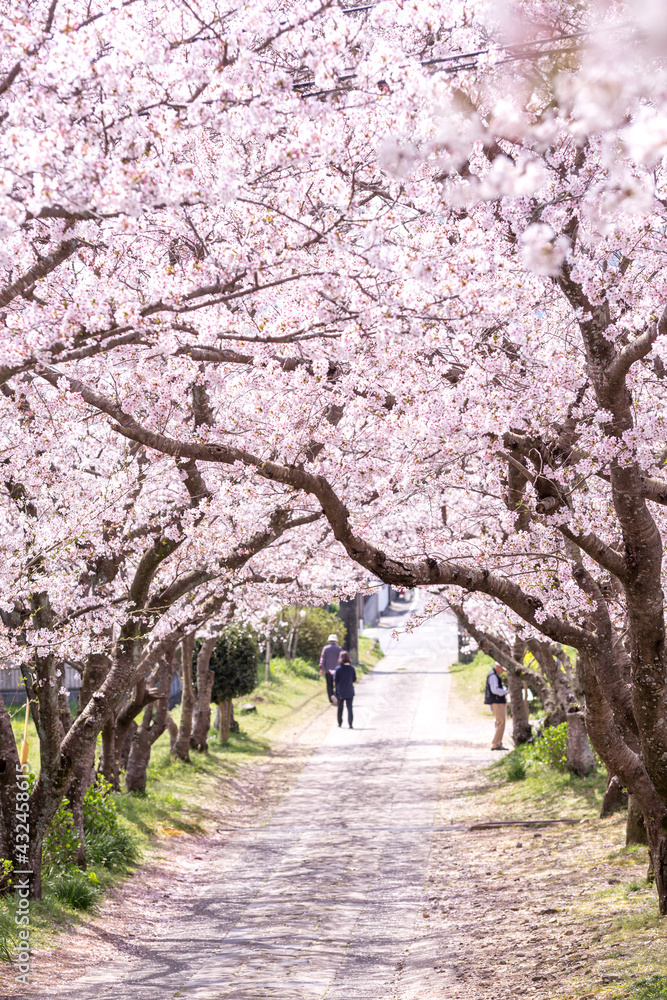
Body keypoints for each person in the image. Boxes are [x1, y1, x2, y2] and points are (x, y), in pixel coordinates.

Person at [484, 662, 509, 750]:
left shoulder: (494, 675)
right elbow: (495, 690)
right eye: (502, 669)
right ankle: (496, 743)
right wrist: (506, 692)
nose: (502, 671)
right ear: (498, 667)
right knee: (501, 722)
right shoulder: (493, 676)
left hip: (498, 701)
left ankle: (498, 742)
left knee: (499, 722)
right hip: (497, 702)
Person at [334, 651, 356, 729]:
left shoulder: (338, 669)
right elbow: (354, 679)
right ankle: (350, 724)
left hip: (340, 691)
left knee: (340, 708)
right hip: (349, 690)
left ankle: (340, 723)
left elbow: (335, 680)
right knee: (349, 708)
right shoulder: (352, 668)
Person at [319, 633, 341, 704]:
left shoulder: (325, 649)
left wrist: (321, 668)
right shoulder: (339, 649)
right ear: (336, 641)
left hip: (328, 670)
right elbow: (342, 659)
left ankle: (331, 700)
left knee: (329, 685)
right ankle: (336, 697)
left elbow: (322, 659)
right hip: (337, 671)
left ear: (329, 641)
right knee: (338, 685)